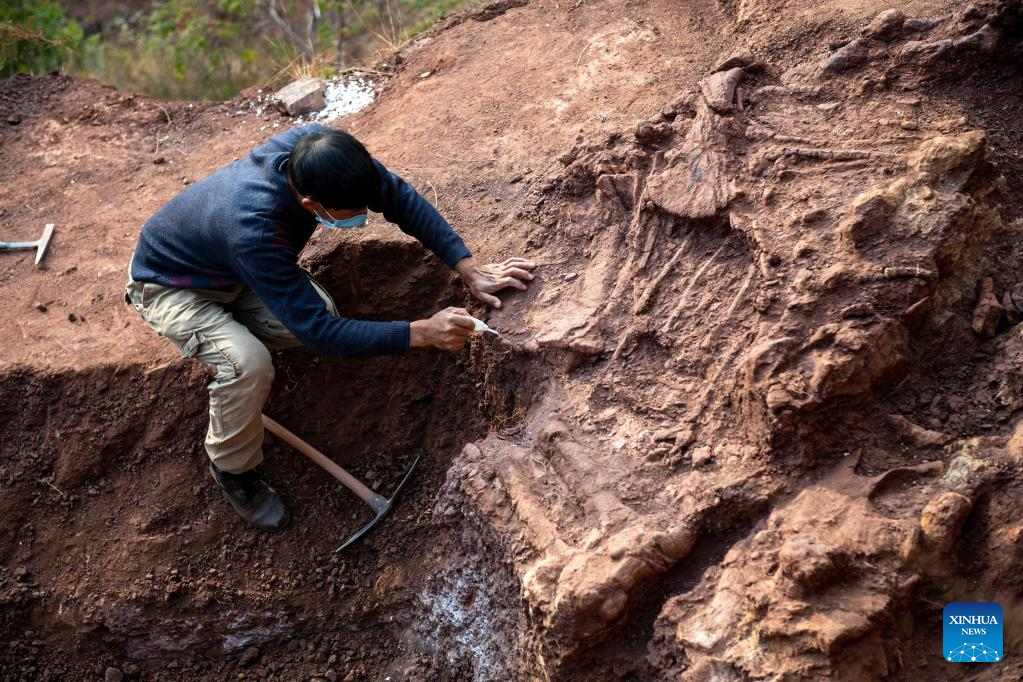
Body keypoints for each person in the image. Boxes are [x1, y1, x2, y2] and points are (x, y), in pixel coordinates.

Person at [125, 123, 535, 531]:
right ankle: (232, 469)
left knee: (313, 313)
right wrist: (423, 332)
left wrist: (467, 267)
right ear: (309, 203)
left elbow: (397, 196)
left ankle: (226, 343)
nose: (363, 216)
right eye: (352, 213)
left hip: (234, 271)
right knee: (248, 363)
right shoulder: (255, 229)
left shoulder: (321, 154)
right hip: (171, 286)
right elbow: (321, 334)